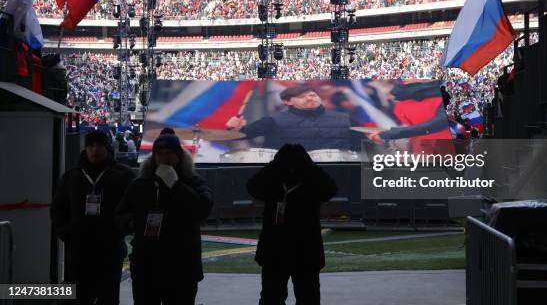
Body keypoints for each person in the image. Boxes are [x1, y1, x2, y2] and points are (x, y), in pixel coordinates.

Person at [116, 133, 213, 305]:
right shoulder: (141, 184)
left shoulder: (193, 182)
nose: (164, 158)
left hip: (181, 266)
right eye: (160, 154)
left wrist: (176, 185)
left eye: (169, 153)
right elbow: (120, 213)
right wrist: (133, 223)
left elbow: (203, 209)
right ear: (153, 157)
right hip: (147, 265)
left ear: (179, 156)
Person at [50, 130, 135, 305]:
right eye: (91, 146)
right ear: (85, 148)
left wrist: (122, 229)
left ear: (107, 147)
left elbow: (133, 207)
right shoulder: (72, 176)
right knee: (78, 297)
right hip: (79, 250)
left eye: (99, 145)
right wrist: (65, 231)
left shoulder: (123, 175)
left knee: (108, 297)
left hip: (109, 249)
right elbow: (58, 207)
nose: (95, 150)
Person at [246, 144, 338, 305]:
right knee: (307, 297)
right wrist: (309, 166)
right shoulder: (311, 181)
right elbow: (330, 188)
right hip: (306, 247)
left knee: (272, 296)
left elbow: (253, 186)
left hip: (275, 245)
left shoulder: (273, 179)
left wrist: (275, 165)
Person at [225, 86, 361, 151]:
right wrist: (233, 129)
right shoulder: (272, 121)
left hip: (338, 175)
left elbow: (361, 147)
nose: (309, 98)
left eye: (312, 95)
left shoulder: (346, 119)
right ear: (287, 102)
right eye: (302, 97)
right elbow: (240, 135)